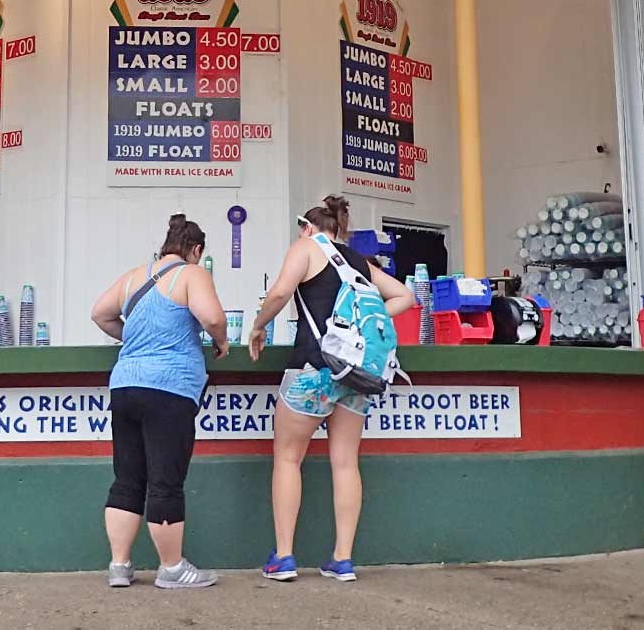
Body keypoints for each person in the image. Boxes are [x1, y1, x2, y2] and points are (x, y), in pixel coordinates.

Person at [247, 195, 412, 583]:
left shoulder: (305, 247)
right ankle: (342, 559)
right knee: (345, 462)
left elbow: (280, 293)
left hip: (313, 369)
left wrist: (258, 327)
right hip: (355, 373)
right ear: (339, 229)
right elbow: (404, 296)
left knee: (288, 458)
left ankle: (284, 557)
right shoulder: (357, 262)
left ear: (308, 226)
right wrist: (360, 321)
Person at [90, 213, 229, 589]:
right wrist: (221, 340)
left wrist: (135, 340)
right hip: (169, 390)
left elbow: (100, 313)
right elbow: (213, 317)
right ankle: (171, 568)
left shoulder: (136, 275)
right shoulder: (192, 274)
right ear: (195, 250)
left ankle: (119, 566)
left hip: (125, 387)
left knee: (127, 477)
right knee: (166, 481)